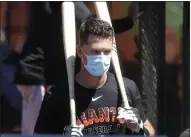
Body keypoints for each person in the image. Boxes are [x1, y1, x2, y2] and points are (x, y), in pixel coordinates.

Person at [11, 2, 139, 135]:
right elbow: (93, 25)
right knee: (38, 132)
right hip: (40, 75)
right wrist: (129, 21)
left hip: (41, 74)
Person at [35, 17, 155, 136]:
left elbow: (149, 129)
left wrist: (138, 127)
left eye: (107, 51)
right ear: (80, 51)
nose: (102, 57)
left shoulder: (126, 88)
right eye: (95, 52)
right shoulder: (57, 96)